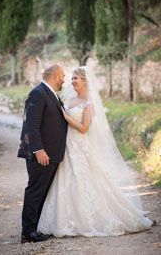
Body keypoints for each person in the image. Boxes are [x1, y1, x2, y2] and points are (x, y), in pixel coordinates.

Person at [37, 66, 153, 237]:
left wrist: (67, 117)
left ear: (84, 81)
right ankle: (64, 220)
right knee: (65, 181)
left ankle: (91, 219)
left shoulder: (88, 104)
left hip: (81, 146)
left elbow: (84, 128)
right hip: (67, 146)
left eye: (76, 78)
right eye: (72, 79)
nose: (72, 82)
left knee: (87, 181)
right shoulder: (69, 101)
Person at [18, 64, 68, 243]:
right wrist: (39, 150)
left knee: (43, 191)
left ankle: (35, 228)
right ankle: (28, 232)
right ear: (55, 76)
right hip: (41, 153)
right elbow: (32, 124)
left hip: (51, 153)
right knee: (35, 191)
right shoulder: (38, 93)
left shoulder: (50, 94)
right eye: (62, 76)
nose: (64, 80)